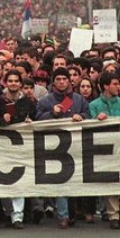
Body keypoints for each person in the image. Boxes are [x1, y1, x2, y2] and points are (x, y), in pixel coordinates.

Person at [34, 68, 90, 229]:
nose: (61, 82)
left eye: (64, 79)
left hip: (77, 147)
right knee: (61, 182)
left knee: (75, 182)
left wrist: (83, 117)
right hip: (55, 149)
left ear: (69, 81)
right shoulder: (46, 101)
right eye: (58, 79)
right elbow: (37, 118)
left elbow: (89, 113)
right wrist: (52, 113)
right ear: (54, 82)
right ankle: (63, 216)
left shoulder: (79, 100)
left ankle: (73, 213)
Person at [88, 71, 120, 229]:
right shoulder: (94, 105)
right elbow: (87, 125)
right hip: (104, 150)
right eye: (115, 84)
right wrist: (96, 120)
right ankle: (113, 215)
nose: (118, 87)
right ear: (105, 86)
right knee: (110, 181)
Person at [0, 70, 32, 229]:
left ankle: (18, 216)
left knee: (19, 182)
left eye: (16, 81)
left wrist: (31, 122)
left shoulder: (29, 102)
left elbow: (38, 119)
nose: (13, 83)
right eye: (10, 81)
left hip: (22, 148)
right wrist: (1, 120)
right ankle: (7, 211)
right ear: (6, 83)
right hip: (2, 147)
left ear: (20, 84)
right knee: (4, 182)